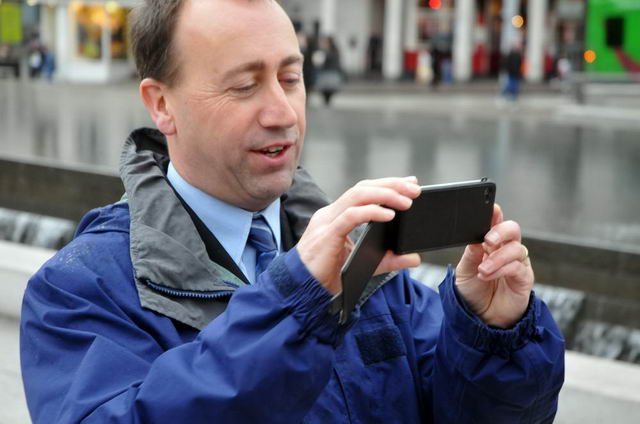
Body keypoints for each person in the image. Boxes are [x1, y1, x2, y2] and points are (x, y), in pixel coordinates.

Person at [20, 1, 564, 423]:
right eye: (244, 86)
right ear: (162, 104)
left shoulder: (366, 260)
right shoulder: (78, 290)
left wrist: (490, 334)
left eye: (291, 78)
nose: (283, 113)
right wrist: (295, 301)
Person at [314, 35, 343, 106]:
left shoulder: (329, 51)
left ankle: (327, 100)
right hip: (329, 72)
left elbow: (321, 61)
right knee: (326, 89)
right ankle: (327, 100)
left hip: (329, 73)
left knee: (328, 88)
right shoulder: (334, 51)